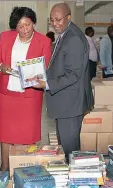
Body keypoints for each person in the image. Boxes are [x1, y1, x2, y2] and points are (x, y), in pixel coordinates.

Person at [0, 7, 52, 171]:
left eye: (28, 25)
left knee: (28, 135)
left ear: (34, 23)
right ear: (15, 27)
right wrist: (1, 66)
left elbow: (46, 67)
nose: (25, 30)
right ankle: (4, 166)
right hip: (7, 95)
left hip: (30, 97)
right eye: (20, 26)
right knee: (5, 134)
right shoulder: (5, 37)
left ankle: (26, 167)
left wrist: (38, 76)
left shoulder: (44, 41)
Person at [33, 3, 94, 160]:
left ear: (69, 17)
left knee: (70, 150)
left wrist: (46, 84)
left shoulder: (73, 38)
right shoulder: (66, 34)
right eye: (52, 20)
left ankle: (75, 179)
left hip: (70, 104)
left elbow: (73, 74)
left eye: (58, 19)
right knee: (67, 147)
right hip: (66, 103)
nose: (54, 24)